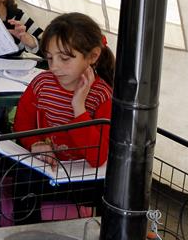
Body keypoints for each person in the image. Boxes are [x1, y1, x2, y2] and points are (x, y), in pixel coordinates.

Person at [10, 12, 114, 224]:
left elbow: (98, 157)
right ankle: (25, 236)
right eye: (49, 58)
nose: (54, 66)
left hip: (83, 180)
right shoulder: (41, 84)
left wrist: (79, 108)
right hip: (48, 171)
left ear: (93, 56)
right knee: (22, 179)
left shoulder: (102, 96)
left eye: (65, 58)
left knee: (111, 191)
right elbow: (22, 125)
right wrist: (35, 144)